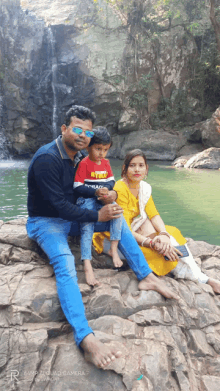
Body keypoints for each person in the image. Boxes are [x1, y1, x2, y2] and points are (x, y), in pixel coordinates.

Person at [26, 106, 178, 370]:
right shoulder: (47, 159)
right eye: (77, 129)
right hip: (46, 222)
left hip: (72, 218)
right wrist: (98, 217)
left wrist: (107, 198)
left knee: (116, 216)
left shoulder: (80, 157)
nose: (83, 135)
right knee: (64, 262)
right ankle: (86, 338)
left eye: (88, 131)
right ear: (64, 129)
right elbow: (60, 206)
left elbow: (90, 189)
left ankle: (147, 276)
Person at [93, 149, 220, 294]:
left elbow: (153, 215)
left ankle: (203, 278)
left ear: (146, 169)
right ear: (125, 169)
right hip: (114, 239)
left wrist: (164, 234)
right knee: (158, 252)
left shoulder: (144, 188)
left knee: (172, 234)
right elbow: (124, 230)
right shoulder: (120, 188)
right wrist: (151, 243)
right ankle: (203, 279)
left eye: (141, 165)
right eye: (132, 165)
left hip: (135, 230)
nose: (137, 169)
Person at [74, 126, 123, 286]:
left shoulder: (106, 163)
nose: (101, 153)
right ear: (88, 147)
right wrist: (96, 192)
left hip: (102, 198)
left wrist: (108, 191)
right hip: (87, 199)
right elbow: (78, 187)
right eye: (98, 149)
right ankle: (87, 265)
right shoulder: (84, 163)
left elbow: (111, 181)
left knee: (117, 212)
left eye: (105, 149)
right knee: (87, 224)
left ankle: (113, 249)